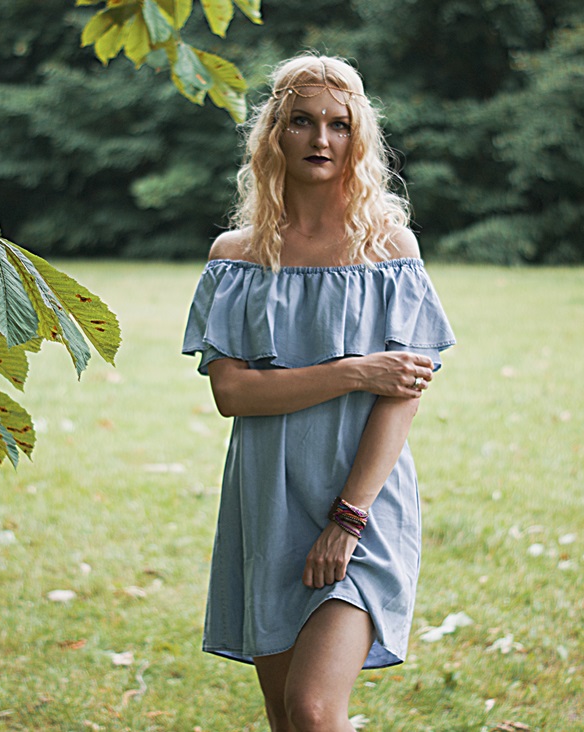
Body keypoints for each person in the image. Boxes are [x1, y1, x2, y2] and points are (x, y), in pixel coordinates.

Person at [182, 54, 456, 732]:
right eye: (302, 121)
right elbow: (234, 393)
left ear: (358, 136)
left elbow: (405, 394)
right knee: (285, 716)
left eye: (338, 124)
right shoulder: (235, 259)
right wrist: (356, 371)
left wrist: (348, 518)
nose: (320, 139)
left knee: (312, 709)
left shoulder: (388, 249)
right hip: (267, 501)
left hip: (360, 503)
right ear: (274, 131)